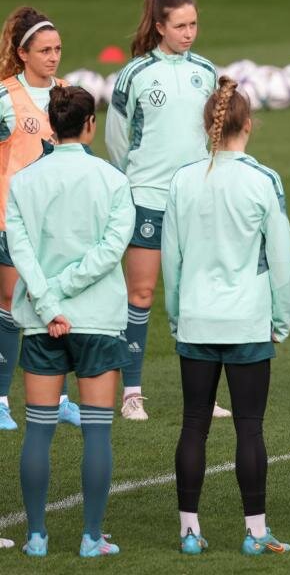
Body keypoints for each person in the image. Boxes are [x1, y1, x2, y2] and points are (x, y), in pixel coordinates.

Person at [162, 76, 290, 556]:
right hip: (247, 322)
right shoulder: (263, 181)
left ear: (207, 126)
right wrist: (282, 321)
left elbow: (170, 260)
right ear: (249, 125)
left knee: (193, 423)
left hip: (197, 318)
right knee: (249, 427)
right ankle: (256, 533)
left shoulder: (181, 179)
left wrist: (177, 317)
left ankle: (189, 532)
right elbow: (280, 260)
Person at [7, 85, 135, 558]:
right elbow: (109, 252)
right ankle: (91, 538)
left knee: (39, 428)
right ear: (90, 124)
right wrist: (64, 294)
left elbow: (19, 250)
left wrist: (47, 300)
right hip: (97, 319)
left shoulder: (24, 182)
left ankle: (36, 537)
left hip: (44, 322)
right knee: (97, 429)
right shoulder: (113, 181)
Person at [105, 0, 227, 420]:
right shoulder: (135, 74)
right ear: (159, 27)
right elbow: (117, 143)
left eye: (194, 24)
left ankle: (204, 396)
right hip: (147, 198)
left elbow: (216, 135)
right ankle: (131, 392)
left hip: (195, 199)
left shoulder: (208, 72)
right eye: (180, 26)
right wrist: (133, 185)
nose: (189, 32)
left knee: (197, 295)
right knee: (140, 293)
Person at [0, 6, 80, 430]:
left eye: (58, 49)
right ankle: (0, 400)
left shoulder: (66, 93)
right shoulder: (4, 97)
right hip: (11, 221)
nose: (53, 57)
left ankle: (61, 398)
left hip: (59, 225)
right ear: (23, 53)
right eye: (45, 50)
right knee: (12, 310)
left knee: (56, 307)